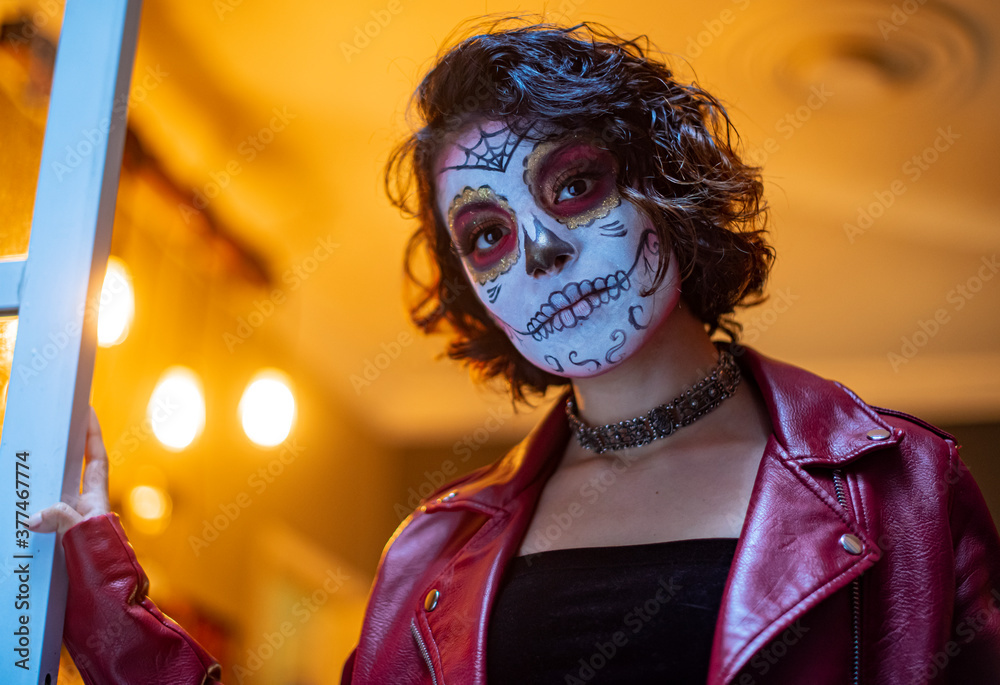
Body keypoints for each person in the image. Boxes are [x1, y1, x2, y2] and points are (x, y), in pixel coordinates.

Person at [29, 19, 1000, 685]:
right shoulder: (436, 549)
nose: (536, 248)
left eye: (574, 185)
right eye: (486, 232)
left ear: (662, 187)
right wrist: (96, 592)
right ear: (476, 296)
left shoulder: (902, 483)